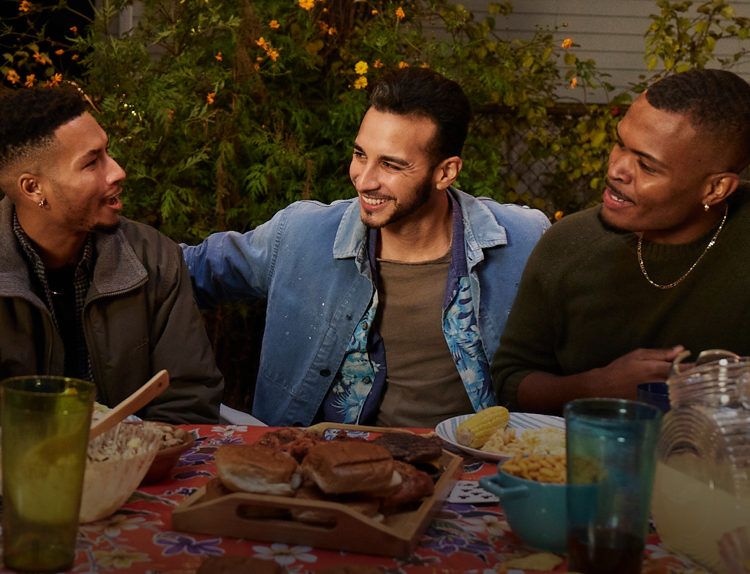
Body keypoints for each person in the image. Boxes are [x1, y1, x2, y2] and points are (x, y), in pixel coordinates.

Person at [182, 67, 550, 428]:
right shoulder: (299, 235)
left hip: (471, 472)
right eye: (360, 155)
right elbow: (181, 273)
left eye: (390, 164)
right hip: (327, 469)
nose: (364, 179)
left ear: (445, 172)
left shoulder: (524, 241)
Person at [492, 68, 750, 415]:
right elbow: (509, 381)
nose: (616, 169)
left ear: (715, 188)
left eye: (647, 166)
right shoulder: (569, 245)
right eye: (620, 143)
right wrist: (595, 387)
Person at [0, 85, 223, 423]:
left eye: (107, 152)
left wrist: (123, 458)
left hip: (132, 468)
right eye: (91, 163)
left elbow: (188, 401)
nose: (117, 171)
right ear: (34, 188)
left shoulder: (156, 259)